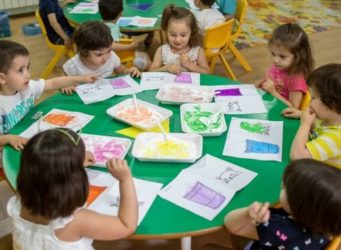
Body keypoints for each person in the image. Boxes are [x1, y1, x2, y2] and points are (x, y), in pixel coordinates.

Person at [7, 128, 138, 249]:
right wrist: (125, 179)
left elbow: (47, 170)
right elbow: (126, 225)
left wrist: (73, 162)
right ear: (73, 179)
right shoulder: (76, 221)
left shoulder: (21, 200)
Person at [224, 159, 341, 250]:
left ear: (298, 207)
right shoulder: (328, 222)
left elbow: (232, 225)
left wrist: (247, 213)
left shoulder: (274, 228)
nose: (281, 185)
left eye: (285, 187)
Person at [0, 40, 96, 150]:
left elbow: (52, 83)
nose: (28, 75)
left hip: (31, 137)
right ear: (2, 78)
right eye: (20, 70)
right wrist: (10, 138)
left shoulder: (27, 87)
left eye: (28, 68)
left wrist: (79, 79)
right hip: (9, 152)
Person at [62, 21, 140, 94]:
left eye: (109, 50)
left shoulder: (112, 57)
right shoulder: (73, 65)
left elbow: (123, 72)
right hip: (84, 102)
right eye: (99, 55)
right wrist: (66, 86)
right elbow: (63, 84)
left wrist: (130, 71)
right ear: (84, 52)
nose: (106, 57)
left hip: (107, 97)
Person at [288, 64, 341, 169]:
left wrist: (305, 124)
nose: (309, 102)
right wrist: (301, 114)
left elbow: (298, 157)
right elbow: (319, 129)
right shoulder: (331, 118)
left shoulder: (335, 138)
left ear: (331, 104)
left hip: (330, 179)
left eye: (313, 97)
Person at [255, 23, 314, 109]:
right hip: (269, 104)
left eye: (282, 56)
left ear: (298, 57)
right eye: (273, 54)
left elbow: (293, 109)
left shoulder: (297, 80)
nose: (275, 60)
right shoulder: (279, 65)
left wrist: (273, 92)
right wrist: (259, 86)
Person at [149, 4, 210, 74]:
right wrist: (165, 68)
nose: (178, 39)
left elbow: (207, 73)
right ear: (166, 31)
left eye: (183, 35)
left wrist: (191, 65)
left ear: (191, 32)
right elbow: (150, 73)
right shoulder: (162, 51)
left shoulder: (198, 51)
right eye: (173, 35)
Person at [98, 0, 151, 71]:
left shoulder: (99, 25)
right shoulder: (113, 28)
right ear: (121, 14)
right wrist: (129, 47)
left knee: (144, 55)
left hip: (107, 57)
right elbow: (111, 45)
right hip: (122, 59)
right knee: (147, 61)